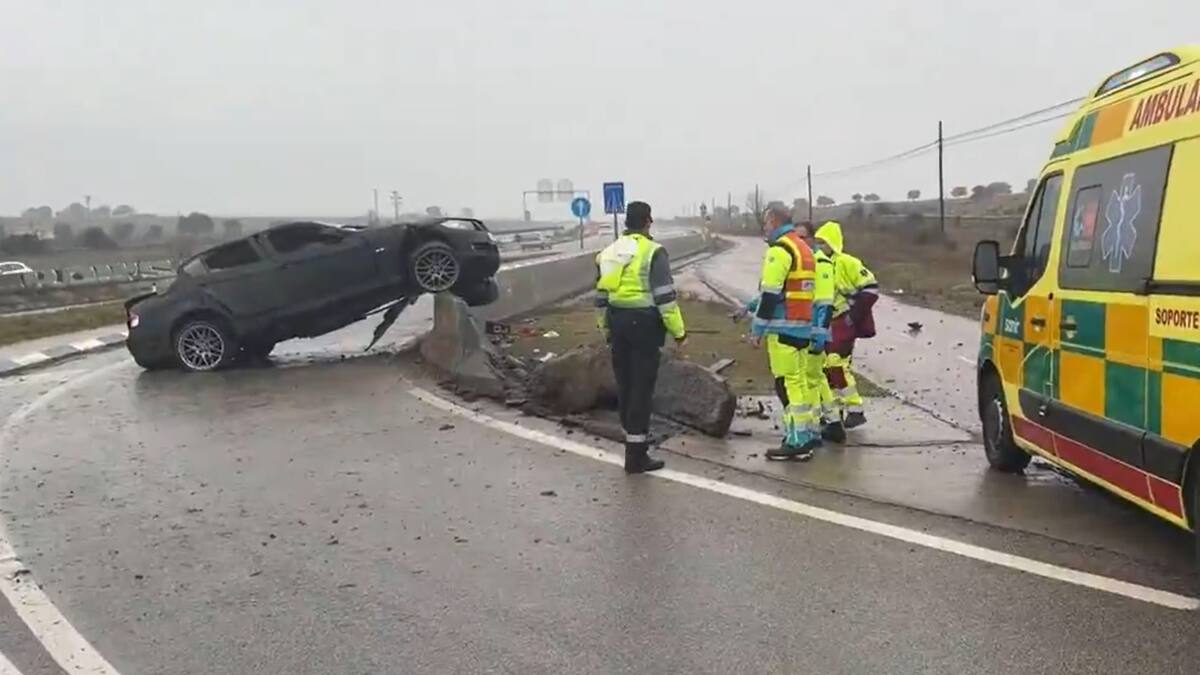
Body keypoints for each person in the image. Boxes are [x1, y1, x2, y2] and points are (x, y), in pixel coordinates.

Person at [594, 201, 687, 473]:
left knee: (625, 384)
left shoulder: (608, 252)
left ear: (626, 222)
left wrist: (606, 329)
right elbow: (665, 298)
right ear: (648, 221)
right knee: (641, 388)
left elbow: (600, 297)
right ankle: (636, 455)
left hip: (617, 321)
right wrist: (679, 332)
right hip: (644, 325)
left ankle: (631, 444)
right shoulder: (653, 252)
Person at [741, 206, 834, 460]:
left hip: (782, 327)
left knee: (786, 384)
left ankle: (796, 441)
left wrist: (757, 329)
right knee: (799, 383)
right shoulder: (804, 249)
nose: (764, 227)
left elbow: (771, 293)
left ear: (773, 220)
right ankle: (805, 435)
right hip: (801, 326)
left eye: (765, 222)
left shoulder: (780, 250)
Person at [810, 220, 879, 441]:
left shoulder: (847, 262)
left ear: (833, 242)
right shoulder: (818, 263)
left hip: (842, 321)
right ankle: (835, 412)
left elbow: (871, 288)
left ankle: (855, 408)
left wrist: (852, 317)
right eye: (817, 242)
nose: (819, 246)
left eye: (823, 242)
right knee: (827, 368)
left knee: (835, 363)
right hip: (827, 322)